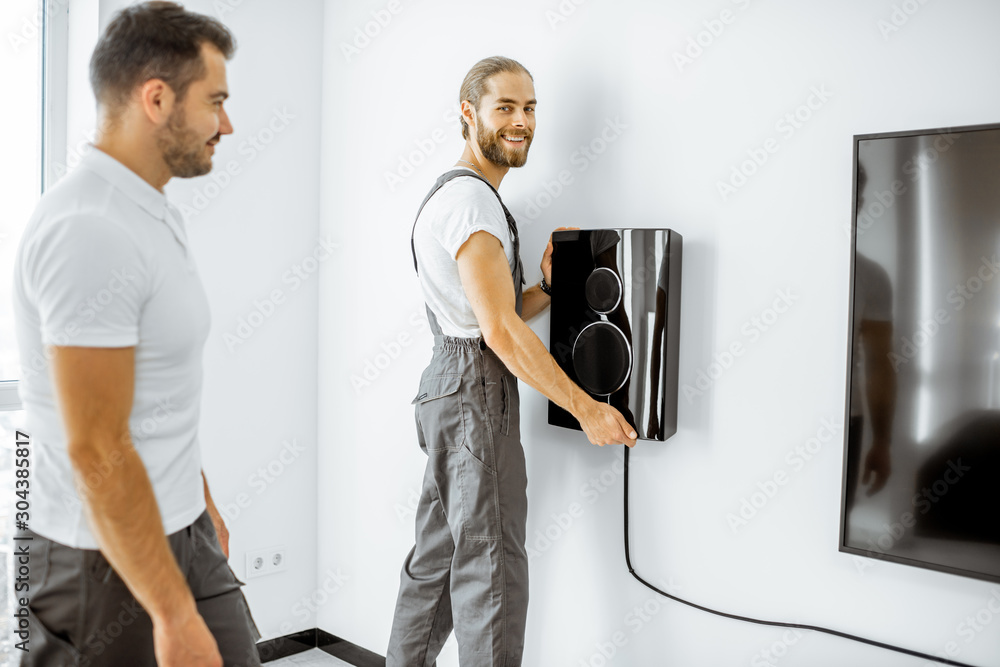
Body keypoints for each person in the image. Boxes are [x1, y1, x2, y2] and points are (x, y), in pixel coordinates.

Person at [12, 3, 259, 665]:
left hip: (179, 530)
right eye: (216, 101)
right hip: (96, 559)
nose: (227, 124)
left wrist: (199, 503)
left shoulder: (150, 212)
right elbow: (96, 445)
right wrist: (174, 615)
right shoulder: (89, 227)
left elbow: (157, 391)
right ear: (156, 99)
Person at [387, 55, 637, 667]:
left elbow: (484, 315)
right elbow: (497, 331)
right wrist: (586, 408)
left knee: (438, 563)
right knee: (491, 574)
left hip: (449, 389)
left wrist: (547, 288)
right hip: (472, 397)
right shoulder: (474, 203)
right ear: (468, 114)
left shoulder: (454, 197)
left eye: (529, 108)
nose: (521, 121)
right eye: (505, 107)